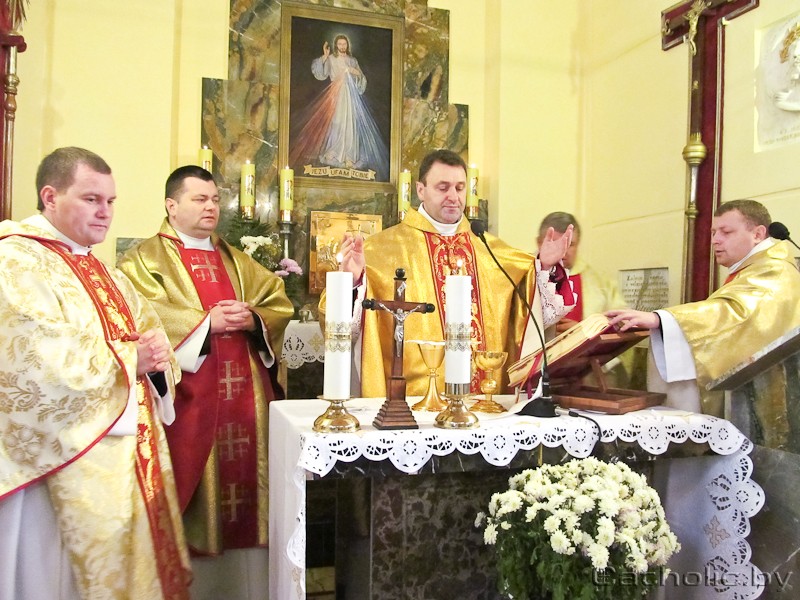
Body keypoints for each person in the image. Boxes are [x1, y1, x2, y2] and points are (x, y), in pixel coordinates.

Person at [0, 147, 190, 599]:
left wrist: (157, 357)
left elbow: (150, 336)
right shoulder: (16, 261)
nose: (105, 212)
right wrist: (129, 359)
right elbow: (30, 356)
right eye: (91, 199)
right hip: (57, 463)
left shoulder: (104, 270)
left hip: (125, 457)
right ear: (50, 197)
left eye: (110, 201)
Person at [117, 166, 293, 555]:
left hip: (247, 399)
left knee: (251, 491)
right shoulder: (143, 260)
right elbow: (138, 314)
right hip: (190, 401)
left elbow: (276, 299)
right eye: (199, 199)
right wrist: (205, 323)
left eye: (215, 199)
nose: (211, 207)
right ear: (171, 205)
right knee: (194, 487)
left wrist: (253, 319)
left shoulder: (234, 258)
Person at [321, 149, 575, 397]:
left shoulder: (490, 250)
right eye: (443, 188)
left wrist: (544, 266)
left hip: (484, 403)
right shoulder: (378, 251)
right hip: (411, 402)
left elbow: (532, 309)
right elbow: (338, 327)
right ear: (421, 190)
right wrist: (353, 281)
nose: (453, 196)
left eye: (460, 188)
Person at [607, 199, 800, 417]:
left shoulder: (774, 271)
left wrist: (662, 319)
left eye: (726, 232)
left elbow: (735, 314)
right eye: (714, 232)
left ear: (757, 234)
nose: (715, 240)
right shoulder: (754, 268)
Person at [289, 33, 389, 180]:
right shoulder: (331, 58)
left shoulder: (353, 60)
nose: (342, 46)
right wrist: (324, 56)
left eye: (344, 44)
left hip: (351, 96)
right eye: (340, 44)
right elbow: (320, 73)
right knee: (337, 122)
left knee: (350, 124)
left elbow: (361, 78)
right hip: (336, 94)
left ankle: (349, 155)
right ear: (336, 45)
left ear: (347, 45)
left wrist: (354, 72)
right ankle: (334, 151)